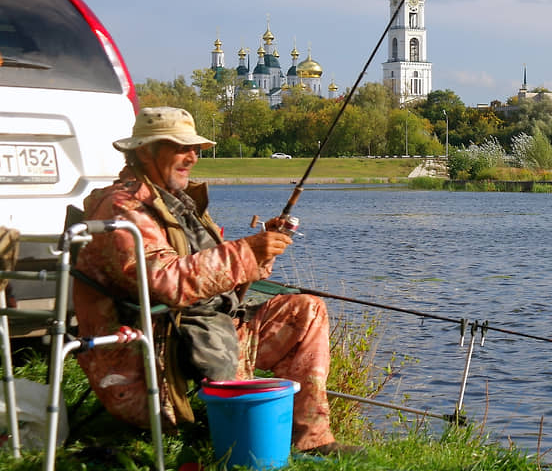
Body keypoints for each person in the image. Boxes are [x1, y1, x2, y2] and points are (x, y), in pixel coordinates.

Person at [72, 106, 356, 455]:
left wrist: (261, 253)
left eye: (196, 149)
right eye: (180, 147)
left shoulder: (177, 202)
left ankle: (310, 439)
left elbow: (214, 275)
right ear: (144, 150)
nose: (192, 156)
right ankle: (239, 440)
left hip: (207, 323)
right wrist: (247, 252)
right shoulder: (122, 207)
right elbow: (165, 280)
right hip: (158, 338)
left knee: (306, 310)